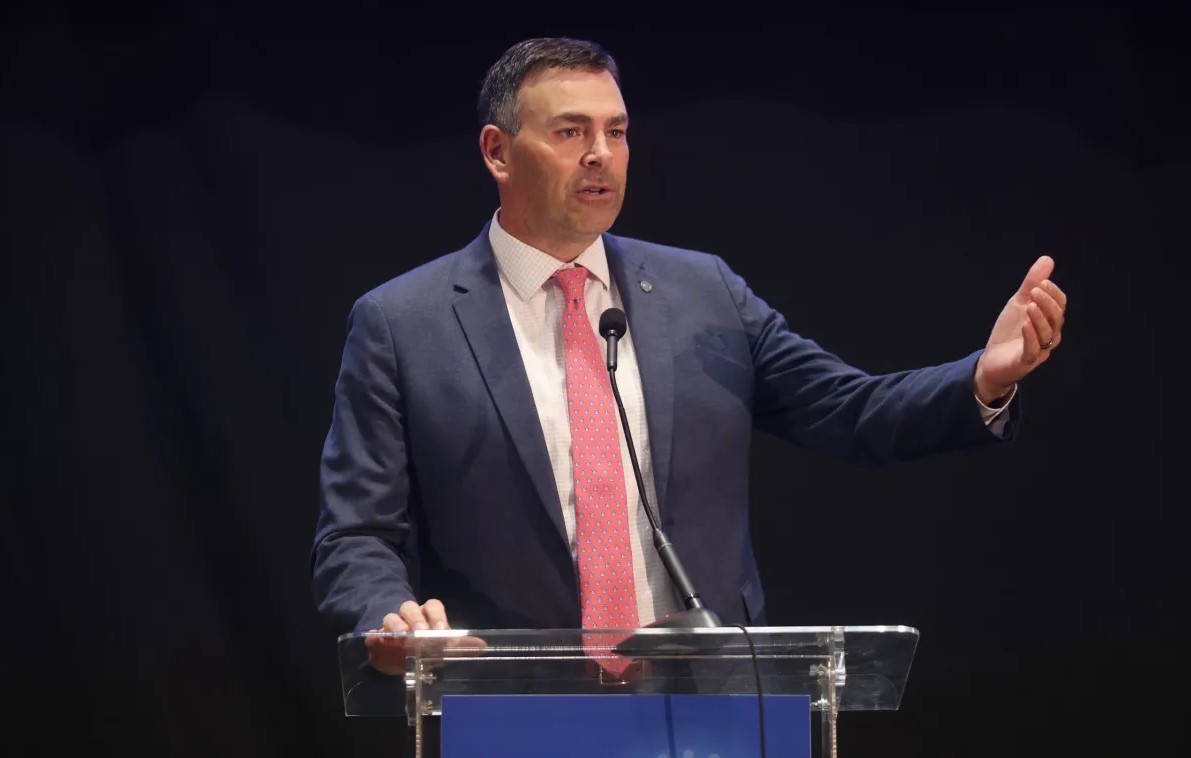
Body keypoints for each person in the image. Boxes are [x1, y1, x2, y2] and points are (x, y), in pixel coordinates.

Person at [310, 37, 1067, 655]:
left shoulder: (703, 292)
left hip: (708, 701)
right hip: (513, 703)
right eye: (570, 132)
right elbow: (357, 533)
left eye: (616, 131)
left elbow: (850, 411)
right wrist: (391, 620)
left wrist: (982, 377)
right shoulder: (402, 323)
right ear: (497, 152)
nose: (601, 154)